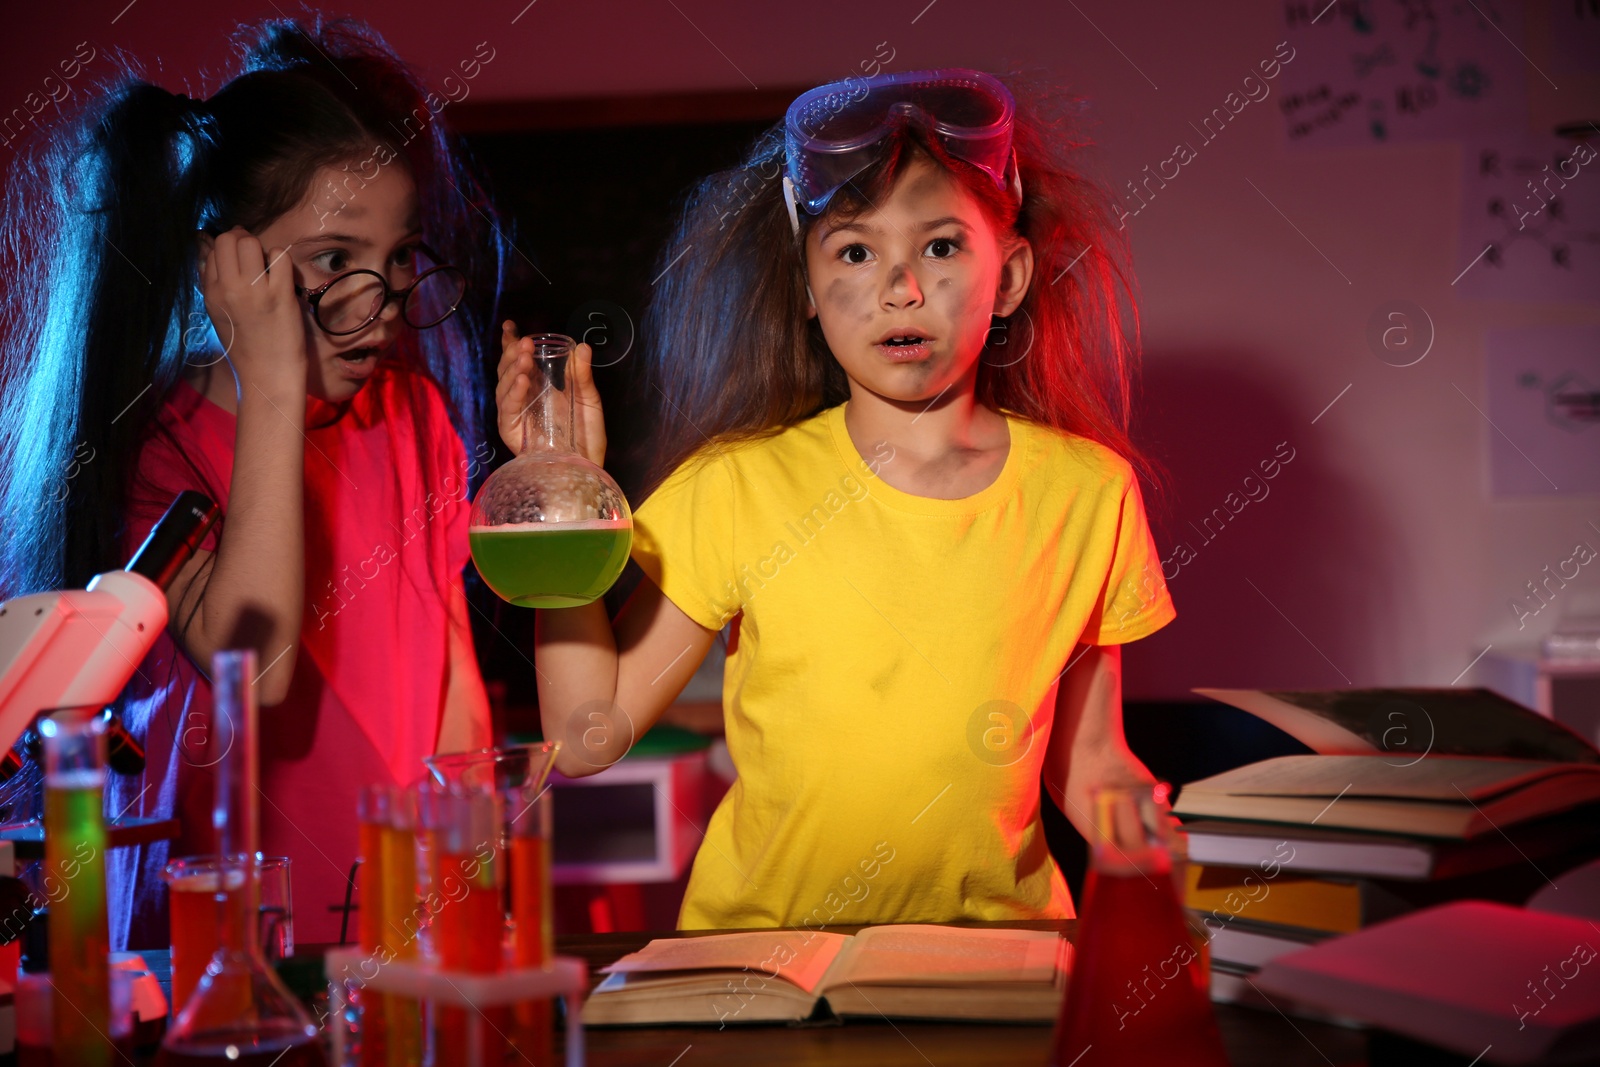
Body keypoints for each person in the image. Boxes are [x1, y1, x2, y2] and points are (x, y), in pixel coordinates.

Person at [497, 68, 1176, 930]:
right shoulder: (736, 487)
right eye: (856, 251)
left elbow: (1088, 762)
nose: (901, 288)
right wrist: (566, 498)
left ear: (1008, 277)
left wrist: (1154, 837)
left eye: (939, 246)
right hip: (763, 970)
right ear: (808, 290)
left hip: (1002, 965)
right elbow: (588, 734)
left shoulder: (1088, 494)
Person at [0, 16, 504, 949]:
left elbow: (451, 683)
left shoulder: (411, 415)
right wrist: (271, 382)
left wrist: (468, 881)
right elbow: (255, 672)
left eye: (396, 260)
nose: (380, 306)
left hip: (389, 915)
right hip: (217, 927)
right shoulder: (159, 448)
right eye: (333, 262)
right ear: (222, 265)